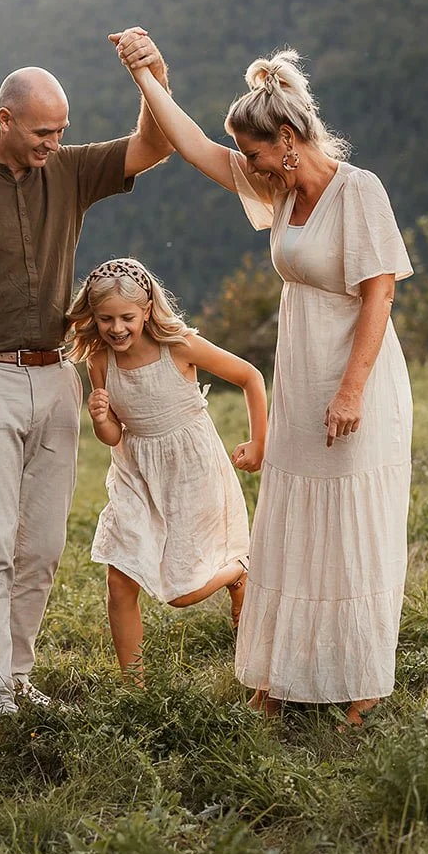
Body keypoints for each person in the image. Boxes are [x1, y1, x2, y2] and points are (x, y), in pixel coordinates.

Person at [112, 31, 414, 728]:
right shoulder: (278, 191)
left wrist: (350, 391)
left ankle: (360, 680)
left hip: (357, 379)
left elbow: (380, 295)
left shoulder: (359, 192)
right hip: (301, 377)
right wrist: (145, 78)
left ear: (286, 137)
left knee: (351, 527)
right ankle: (284, 674)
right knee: (290, 523)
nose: (246, 166)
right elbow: (190, 145)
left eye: (251, 152)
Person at [0, 49, 175, 716]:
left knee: (43, 546)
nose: (55, 142)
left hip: (56, 379)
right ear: (6, 118)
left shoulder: (71, 170)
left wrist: (151, 79)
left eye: (62, 129)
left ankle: (18, 679)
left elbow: (154, 144)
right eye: (43, 131)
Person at [68, 256, 265, 684]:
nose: (116, 328)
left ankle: (241, 569)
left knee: (180, 593)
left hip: (190, 470)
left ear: (146, 311)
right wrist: (101, 417)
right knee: (120, 581)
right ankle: (133, 686)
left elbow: (250, 377)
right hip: (134, 474)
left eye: (126, 318)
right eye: (105, 319)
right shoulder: (100, 360)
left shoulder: (178, 346)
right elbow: (114, 436)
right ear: (93, 317)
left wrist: (259, 443)